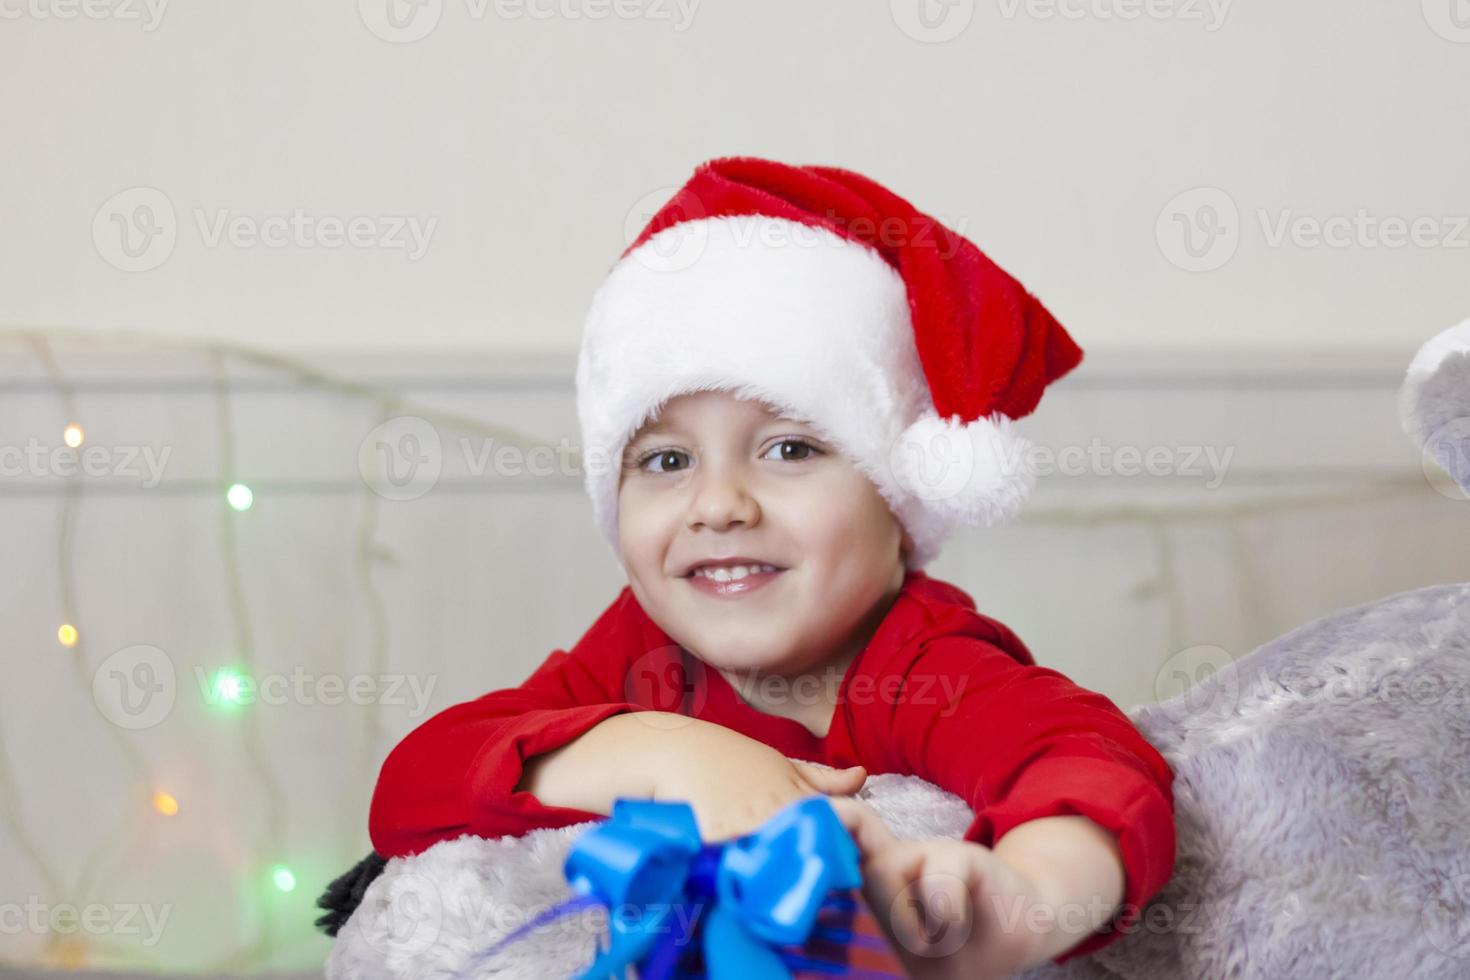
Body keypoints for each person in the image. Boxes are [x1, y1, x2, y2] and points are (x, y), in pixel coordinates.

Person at [367, 156, 1176, 977]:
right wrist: (664, 750)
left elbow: (1086, 760)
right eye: (665, 460)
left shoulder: (920, 663)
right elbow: (413, 784)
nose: (718, 505)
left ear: (898, 502)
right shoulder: (637, 652)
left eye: (790, 448)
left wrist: (1013, 903)